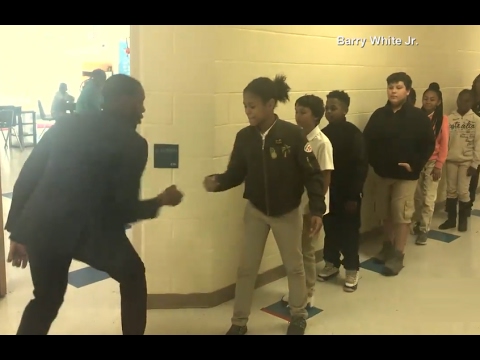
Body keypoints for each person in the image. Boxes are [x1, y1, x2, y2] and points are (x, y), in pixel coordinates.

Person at [5, 74, 184, 335]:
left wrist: (18, 232)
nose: (142, 109)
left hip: (44, 227)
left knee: (46, 300)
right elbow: (124, 208)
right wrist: (161, 200)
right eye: (139, 102)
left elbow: (28, 176)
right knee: (133, 275)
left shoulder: (66, 124)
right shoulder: (133, 144)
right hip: (91, 232)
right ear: (123, 101)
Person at [203, 74, 326, 336]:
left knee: (294, 266)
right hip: (256, 211)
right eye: (245, 106)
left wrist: (317, 209)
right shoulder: (244, 137)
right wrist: (219, 181)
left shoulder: (293, 135)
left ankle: (298, 316)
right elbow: (236, 172)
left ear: (270, 104)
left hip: (287, 211)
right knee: (246, 268)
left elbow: (313, 173)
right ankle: (239, 322)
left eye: (253, 105)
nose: (248, 111)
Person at [363, 72, 435, 276]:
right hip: (383, 174)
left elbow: (428, 144)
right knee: (384, 213)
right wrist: (374, 163)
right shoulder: (379, 115)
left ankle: (398, 254)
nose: (393, 91)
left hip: (406, 176)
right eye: (390, 87)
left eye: (398, 87)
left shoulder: (417, 117)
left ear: (408, 91)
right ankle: (387, 245)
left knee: (401, 214)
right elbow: (367, 142)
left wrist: (415, 164)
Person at [279, 94, 333, 306]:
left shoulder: (322, 142)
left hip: (311, 204)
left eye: (303, 112)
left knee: (307, 250)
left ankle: (308, 291)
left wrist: (316, 206)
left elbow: (325, 175)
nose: (298, 116)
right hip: (294, 203)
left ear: (317, 117)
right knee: (295, 250)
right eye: (296, 111)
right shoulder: (295, 137)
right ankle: (296, 290)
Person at [319, 90, 368, 291]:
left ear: (345, 109)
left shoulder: (354, 134)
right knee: (330, 228)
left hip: (349, 194)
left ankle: (351, 268)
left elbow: (360, 166)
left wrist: (353, 196)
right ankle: (331, 263)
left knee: (349, 231)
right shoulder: (323, 134)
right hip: (329, 192)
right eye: (327, 108)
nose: (329, 112)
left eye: (334, 108)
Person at [411, 83, 449, 244]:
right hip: (418, 161)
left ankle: (424, 229)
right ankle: (419, 222)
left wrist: (439, 164)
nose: (428, 102)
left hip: (433, 162)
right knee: (418, 197)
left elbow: (444, 144)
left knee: (429, 198)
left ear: (438, 102)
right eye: (425, 99)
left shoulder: (443, 120)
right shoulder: (416, 117)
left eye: (432, 99)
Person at [439, 89, 480, 232]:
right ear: (457, 101)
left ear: (472, 102)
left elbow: (478, 144)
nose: (463, 103)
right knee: (450, 190)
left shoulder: (476, 121)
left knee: (463, 191)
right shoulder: (450, 119)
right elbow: (444, 140)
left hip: (467, 162)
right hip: (451, 160)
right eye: (460, 100)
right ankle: (451, 219)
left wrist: (475, 164)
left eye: (467, 100)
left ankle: (463, 221)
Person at [468, 75, 480, 213]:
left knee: (475, 171)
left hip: (478, 140)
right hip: (466, 139)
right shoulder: (469, 97)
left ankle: (470, 200)